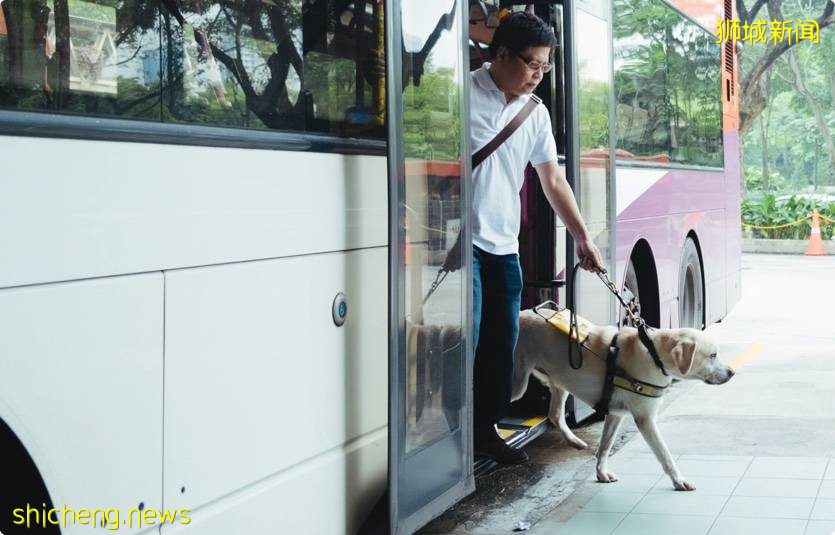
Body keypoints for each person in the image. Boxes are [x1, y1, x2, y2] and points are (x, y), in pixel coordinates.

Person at [470, 12, 605, 464]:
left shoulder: (535, 113)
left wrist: (582, 238)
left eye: (545, 67)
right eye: (532, 64)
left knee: (501, 342)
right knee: (467, 338)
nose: (538, 75)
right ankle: (452, 431)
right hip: (461, 245)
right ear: (501, 55)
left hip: (503, 246)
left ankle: (485, 430)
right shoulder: (462, 95)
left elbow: (553, 181)